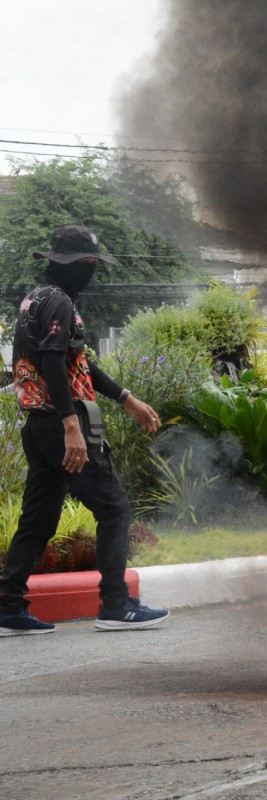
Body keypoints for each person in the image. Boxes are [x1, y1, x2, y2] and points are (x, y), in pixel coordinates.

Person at [0, 225, 169, 636]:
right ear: (69, 264)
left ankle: (6, 606)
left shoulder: (37, 298)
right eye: (88, 264)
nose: (92, 271)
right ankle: (116, 606)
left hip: (38, 426)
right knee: (114, 509)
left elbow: (76, 362)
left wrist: (126, 398)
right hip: (60, 425)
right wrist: (71, 426)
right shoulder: (58, 301)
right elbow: (53, 364)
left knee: (39, 520)